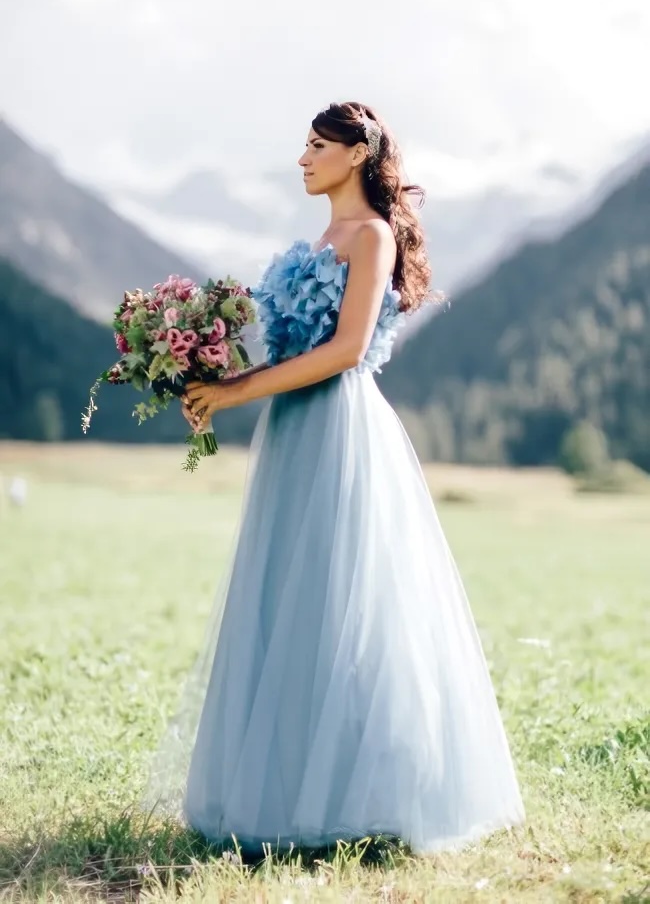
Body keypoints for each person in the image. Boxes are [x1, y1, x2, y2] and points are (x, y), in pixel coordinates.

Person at [142, 100, 525, 854]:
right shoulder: (318, 239)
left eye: (317, 145)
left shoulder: (373, 236)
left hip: (343, 430)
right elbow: (292, 349)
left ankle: (364, 795)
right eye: (305, 145)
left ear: (356, 155)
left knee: (348, 599)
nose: (303, 158)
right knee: (288, 598)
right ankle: (282, 794)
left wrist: (240, 391)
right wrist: (214, 374)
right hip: (292, 431)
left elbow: (348, 350)